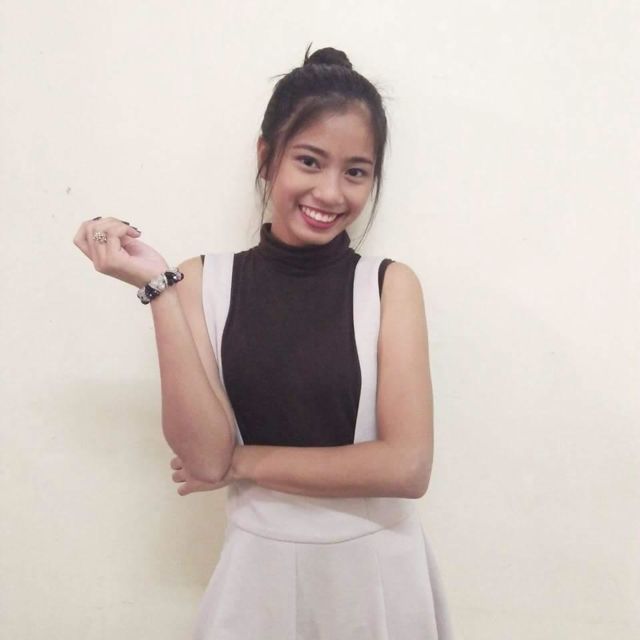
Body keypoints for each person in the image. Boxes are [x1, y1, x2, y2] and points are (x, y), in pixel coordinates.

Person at [73, 45, 453, 639]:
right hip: (257, 572)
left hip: (377, 576)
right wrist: (157, 289)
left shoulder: (389, 286)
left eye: (356, 171)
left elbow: (406, 467)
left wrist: (244, 462)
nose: (330, 192)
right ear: (266, 157)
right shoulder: (199, 281)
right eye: (309, 161)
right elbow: (204, 459)